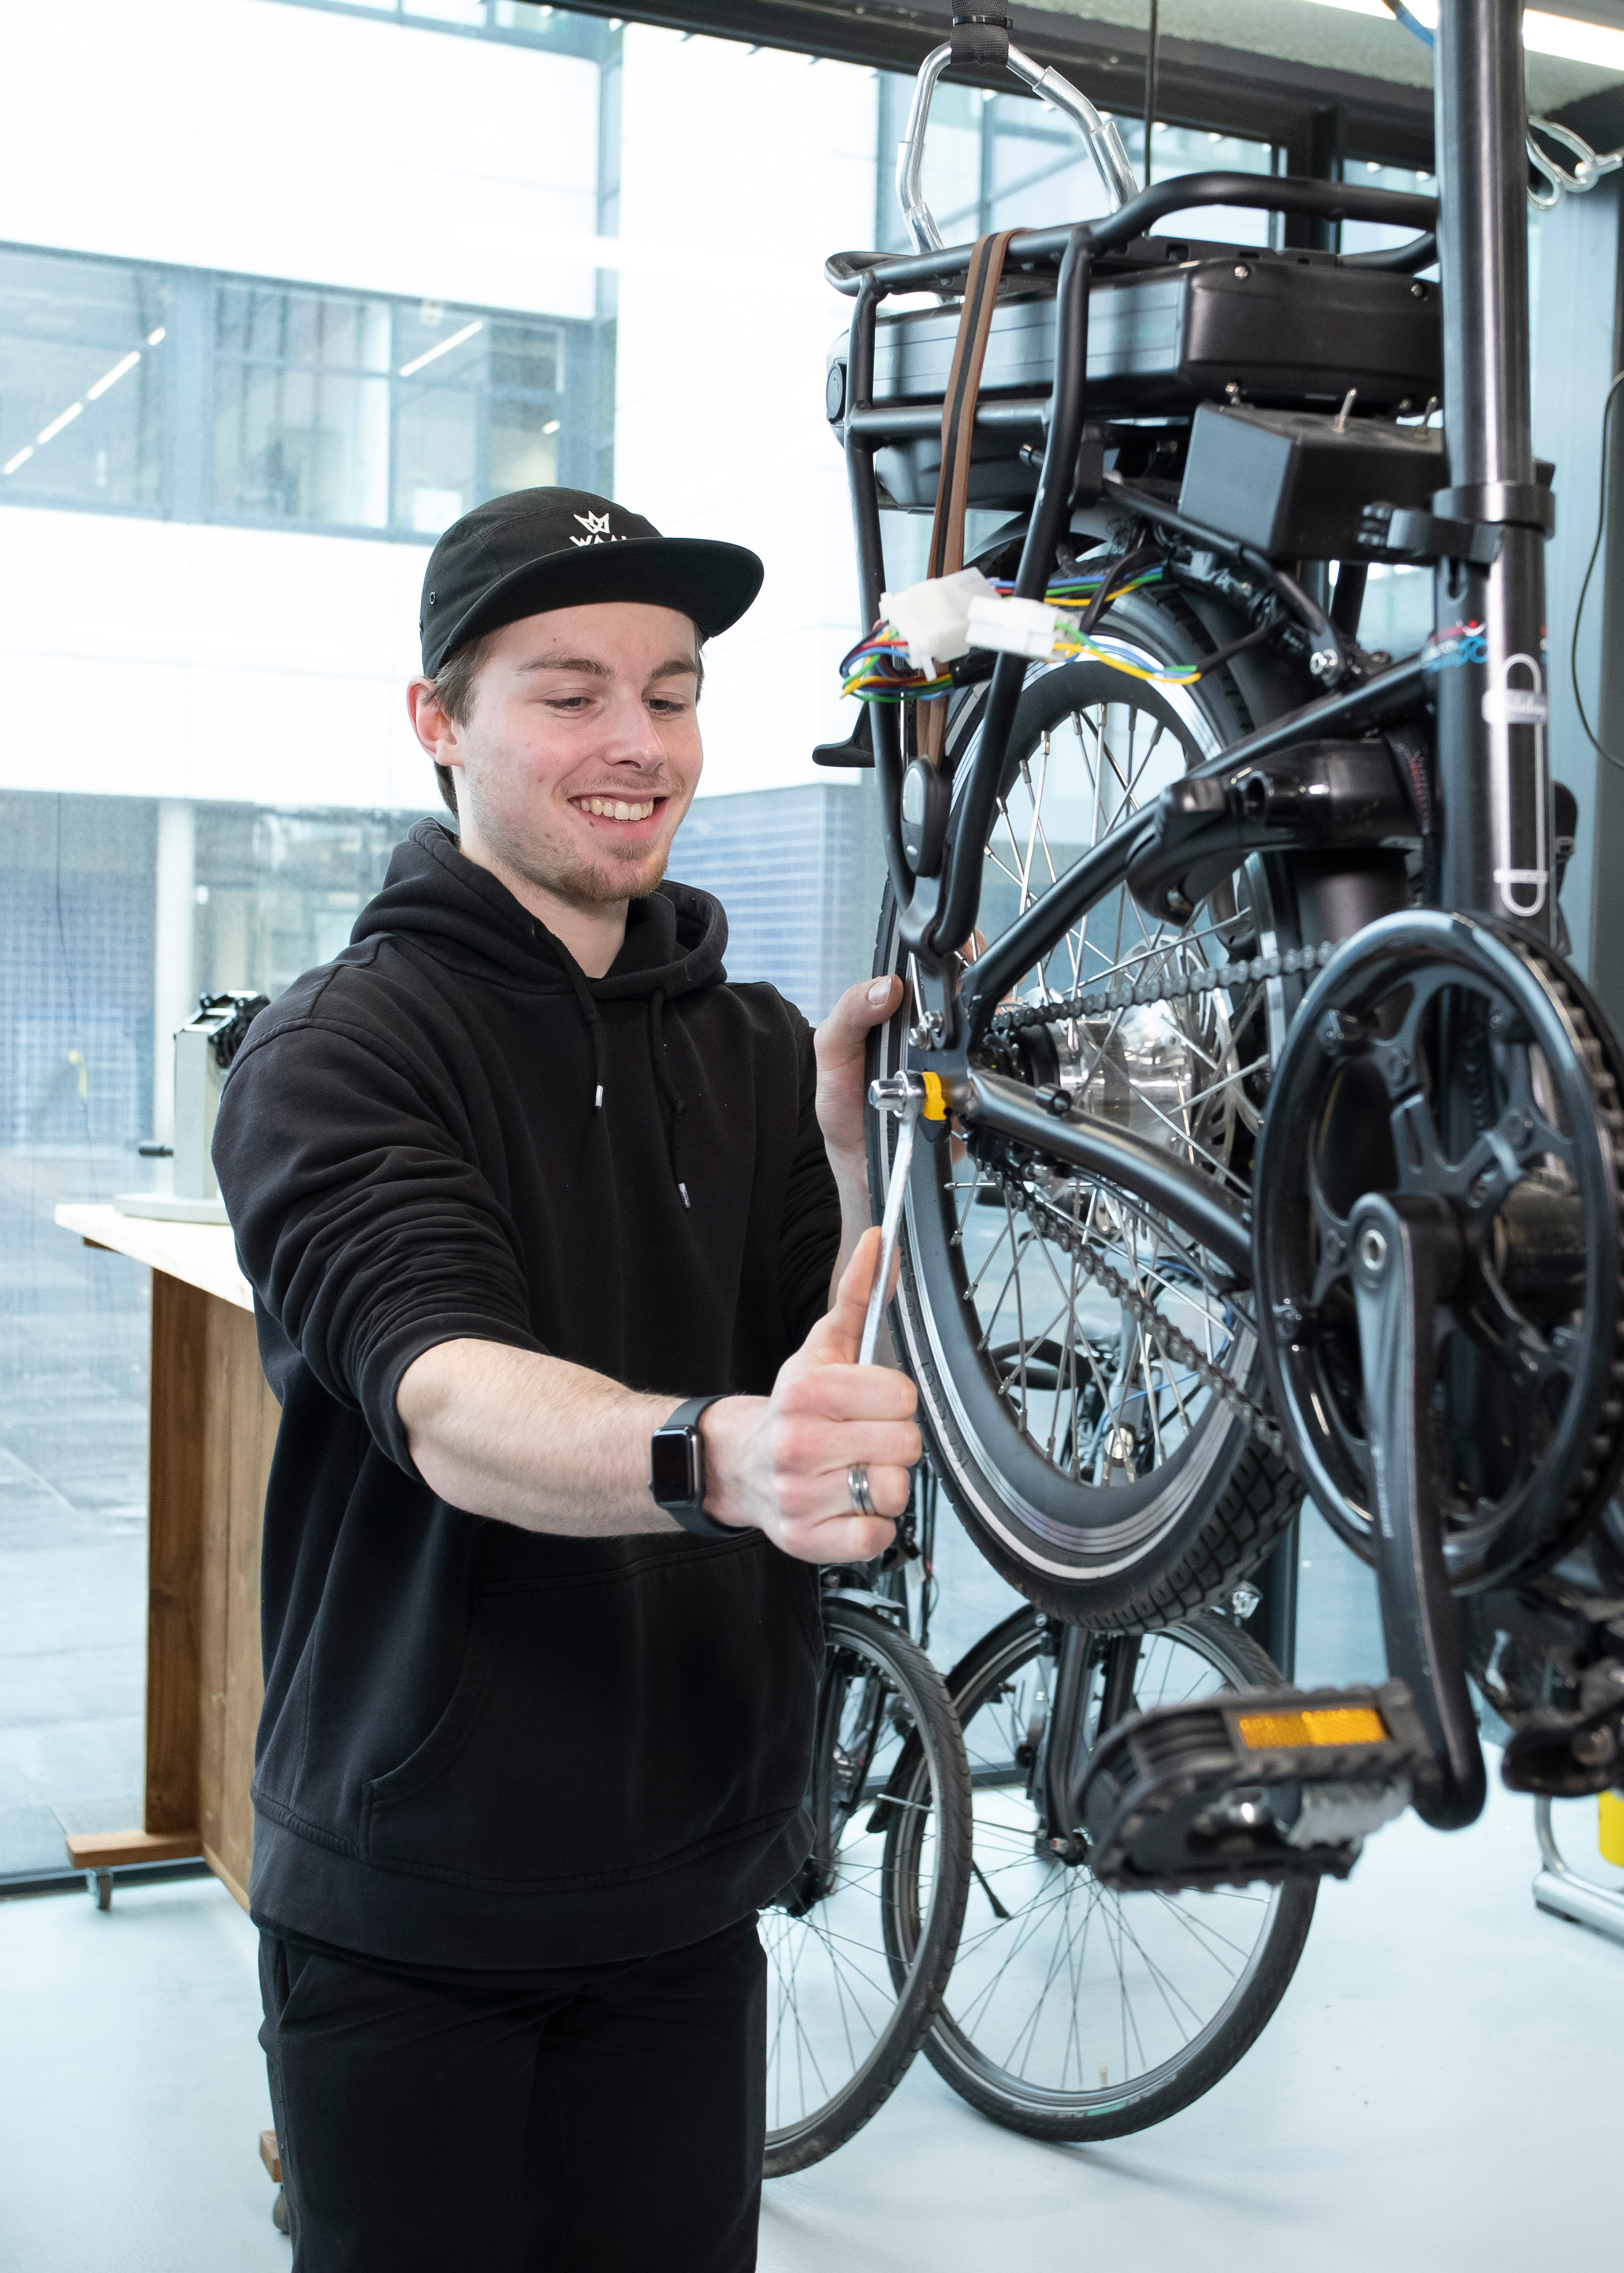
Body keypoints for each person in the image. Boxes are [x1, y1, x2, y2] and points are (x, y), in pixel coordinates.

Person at [211, 486, 921, 2272]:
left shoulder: (748, 1046)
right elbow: (450, 1396)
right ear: (438, 720)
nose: (637, 743)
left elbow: (813, 1370)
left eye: (671, 694)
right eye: (570, 691)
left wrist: (855, 1166)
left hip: (691, 1878)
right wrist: (714, 1459)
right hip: (417, 1900)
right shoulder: (337, 1049)